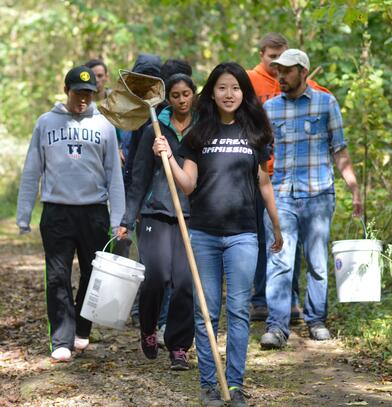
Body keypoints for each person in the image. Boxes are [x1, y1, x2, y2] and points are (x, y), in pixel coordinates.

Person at [153, 62, 283, 407]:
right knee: (206, 313)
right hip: (204, 234)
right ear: (211, 92)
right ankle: (210, 385)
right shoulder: (198, 134)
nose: (229, 94)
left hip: (243, 234)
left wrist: (276, 223)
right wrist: (169, 159)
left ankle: (235, 385)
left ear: (244, 92)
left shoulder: (254, 131)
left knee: (239, 310)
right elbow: (188, 185)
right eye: (222, 88)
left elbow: (264, 183)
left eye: (236, 88)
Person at [16, 65, 125, 361]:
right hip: (57, 212)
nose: (83, 100)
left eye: (89, 94)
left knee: (93, 275)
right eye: (78, 93)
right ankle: (61, 338)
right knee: (57, 276)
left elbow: (114, 174)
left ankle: (82, 329)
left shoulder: (104, 125)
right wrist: (24, 214)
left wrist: (117, 219)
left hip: (94, 212)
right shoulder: (46, 123)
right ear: (66, 90)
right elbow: (32, 170)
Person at [260, 49, 362, 350]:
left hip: (318, 195)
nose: (281, 76)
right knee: (279, 260)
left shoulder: (326, 103)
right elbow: (260, 155)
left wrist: (354, 189)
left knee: (317, 262)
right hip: (281, 195)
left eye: (287, 71)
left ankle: (316, 320)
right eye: (278, 71)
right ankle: (277, 327)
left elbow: (339, 150)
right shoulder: (270, 108)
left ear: (303, 72)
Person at [247, 33, 331, 323]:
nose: (276, 67)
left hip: (301, 184)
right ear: (261, 54)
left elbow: (323, 109)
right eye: (272, 58)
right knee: (266, 242)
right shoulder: (250, 81)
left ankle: (293, 303)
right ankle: (262, 302)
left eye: (282, 61)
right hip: (263, 177)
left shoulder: (318, 97)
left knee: (292, 249)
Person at [116, 74, 196, 370]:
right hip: (155, 213)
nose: (182, 100)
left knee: (185, 283)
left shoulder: (201, 129)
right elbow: (139, 178)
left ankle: (178, 346)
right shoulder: (155, 130)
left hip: (191, 216)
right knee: (157, 277)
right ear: (168, 99)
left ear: (194, 95)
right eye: (175, 95)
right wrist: (127, 217)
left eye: (186, 94)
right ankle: (149, 327)